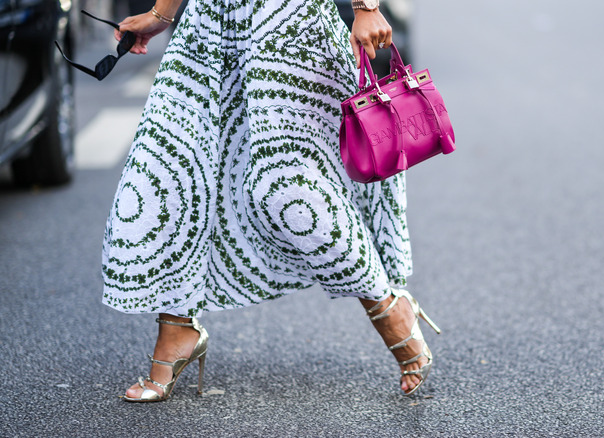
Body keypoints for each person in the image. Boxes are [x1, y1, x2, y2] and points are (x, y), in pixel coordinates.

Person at [101, 0, 440, 402]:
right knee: (170, 173)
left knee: (285, 187)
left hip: (289, 24)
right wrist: (161, 14)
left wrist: (365, 7)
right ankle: (176, 331)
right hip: (207, 29)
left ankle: (388, 307)